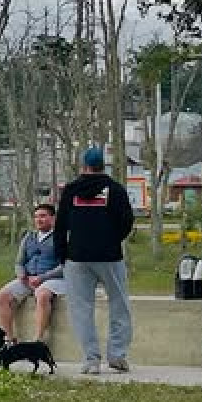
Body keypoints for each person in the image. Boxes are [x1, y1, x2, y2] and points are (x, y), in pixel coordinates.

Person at [54, 147, 136, 374]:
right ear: (103, 166)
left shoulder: (71, 191)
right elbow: (127, 221)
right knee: (119, 304)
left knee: (82, 309)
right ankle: (117, 355)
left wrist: (63, 254)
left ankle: (91, 359)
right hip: (109, 256)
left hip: (77, 257)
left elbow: (60, 226)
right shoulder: (116, 190)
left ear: (83, 166)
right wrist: (111, 239)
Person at [0, 203, 66, 342]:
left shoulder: (61, 237)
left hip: (53, 279)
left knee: (42, 294)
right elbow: (19, 262)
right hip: (28, 279)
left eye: (43, 216)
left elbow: (65, 265)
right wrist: (22, 275)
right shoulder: (29, 237)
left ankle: (38, 339)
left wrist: (42, 277)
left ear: (53, 218)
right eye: (36, 216)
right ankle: (9, 338)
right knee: (0, 297)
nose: (39, 220)